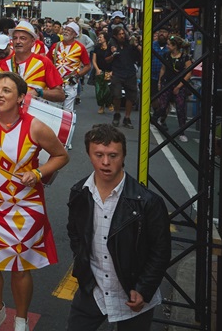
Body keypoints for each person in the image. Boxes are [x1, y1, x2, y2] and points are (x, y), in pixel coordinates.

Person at [0, 71, 70, 331]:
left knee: (20, 268)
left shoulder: (35, 126)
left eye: (6, 90)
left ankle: (21, 319)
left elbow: (61, 156)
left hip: (26, 205)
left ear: (21, 97)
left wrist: (37, 173)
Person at [66, 124, 170, 330]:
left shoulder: (148, 202)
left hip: (133, 294)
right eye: (99, 155)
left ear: (123, 156)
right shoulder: (79, 193)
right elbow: (75, 234)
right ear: (89, 154)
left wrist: (144, 288)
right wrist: (84, 270)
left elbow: (161, 251)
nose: (105, 162)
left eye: (113, 155)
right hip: (92, 290)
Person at [0, 20, 65, 122]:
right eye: (15, 38)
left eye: (23, 38)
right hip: (7, 121)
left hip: (35, 122)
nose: (18, 41)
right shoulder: (3, 65)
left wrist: (39, 92)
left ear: (33, 42)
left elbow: (60, 95)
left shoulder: (44, 63)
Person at [153, 35, 193, 142]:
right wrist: (159, 81)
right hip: (167, 82)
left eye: (169, 45)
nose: (167, 46)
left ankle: (182, 132)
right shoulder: (166, 55)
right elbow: (163, 68)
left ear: (175, 46)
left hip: (179, 84)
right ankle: (154, 120)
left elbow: (188, 73)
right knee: (162, 105)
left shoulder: (185, 57)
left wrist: (179, 86)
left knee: (181, 108)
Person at [105, 25, 141, 129]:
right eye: (120, 34)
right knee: (117, 95)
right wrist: (113, 55)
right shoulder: (112, 45)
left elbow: (143, 53)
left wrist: (136, 45)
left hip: (130, 73)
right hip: (117, 73)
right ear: (115, 36)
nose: (122, 36)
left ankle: (127, 117)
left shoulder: (130, 44)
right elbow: (106, 59)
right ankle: (117, 113)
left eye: (123, 34)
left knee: (131, 96)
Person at [51, 22, 91, 114]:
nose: (66, 32)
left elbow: (87, 66)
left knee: (67, 112)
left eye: (69, 30)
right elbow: (48, 63)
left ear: (75, 34)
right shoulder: (55, 46)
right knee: (54, 110)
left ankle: (65, 127)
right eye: (65, 29)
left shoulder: (80, 48)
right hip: (56, 83)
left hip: (70, 83)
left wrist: (77, 76)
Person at [92, 31, 114, 114]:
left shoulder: (110, 48)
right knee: (99, 90)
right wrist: (97, 69)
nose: (99, 38)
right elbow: (94, 60)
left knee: (107, 89)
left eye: (100, 37)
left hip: (108, 71)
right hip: (99, 71)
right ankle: (101, 106)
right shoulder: (97, 48)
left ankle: (109, 103)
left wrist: (112, 71)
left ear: (105, 38)